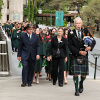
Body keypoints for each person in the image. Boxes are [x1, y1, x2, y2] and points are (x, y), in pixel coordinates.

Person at [68, 17, 96, 96]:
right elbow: (69, 45)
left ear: (82, 24)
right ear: (74, 24)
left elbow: (93, 41)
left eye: (79, 23)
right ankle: (76, 89)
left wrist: (90, 47)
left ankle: (81, 82)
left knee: (83, 74)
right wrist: (78, 52)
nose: (78, 25)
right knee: (75, 73)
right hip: (75, 55)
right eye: (77, 23)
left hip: (84, 56)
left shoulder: (86, 31)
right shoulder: (71, 33)